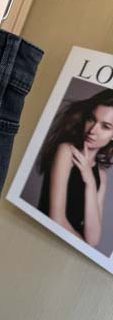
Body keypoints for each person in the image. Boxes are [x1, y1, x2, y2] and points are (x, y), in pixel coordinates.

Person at [37, 88, 113, 246]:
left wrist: (90, 182)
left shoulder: (101, 175)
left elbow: (93, 239)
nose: (92, 130)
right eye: (91, 119)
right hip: (43, 238)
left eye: (105, 126)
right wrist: (83, 248)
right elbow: (56, 219)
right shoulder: (66, 151)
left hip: (67, 246)